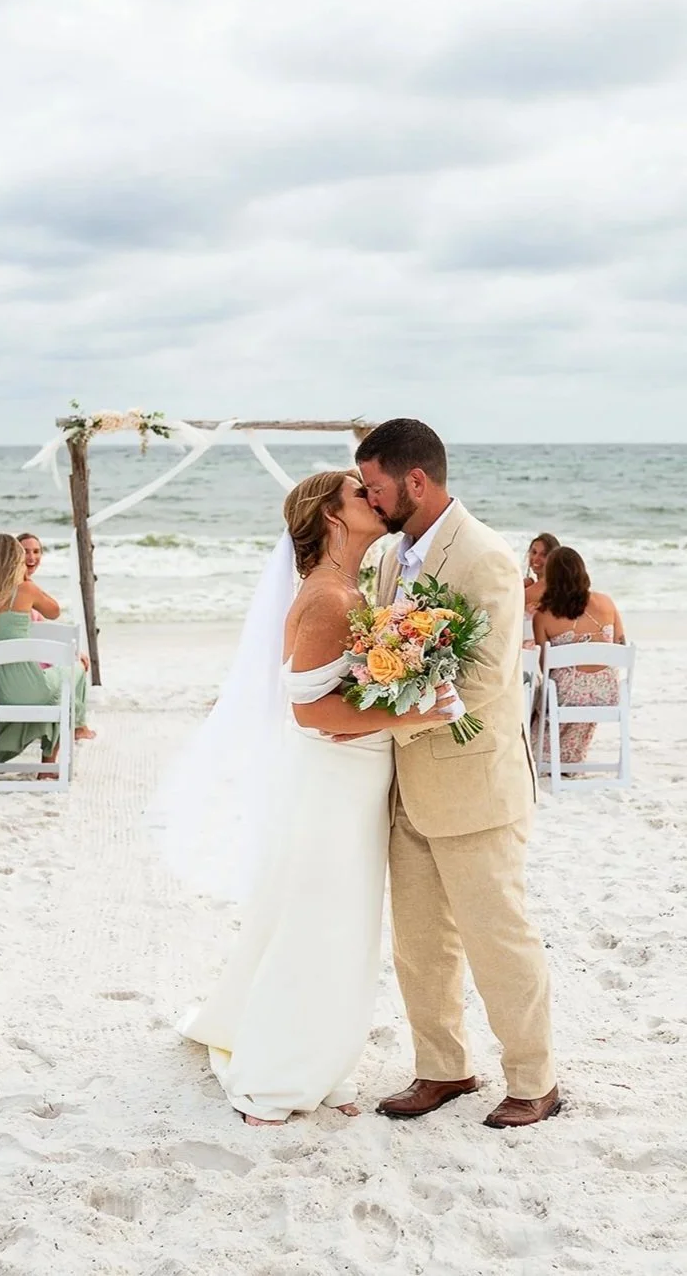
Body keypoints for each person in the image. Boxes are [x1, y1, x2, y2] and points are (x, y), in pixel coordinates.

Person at [165, 470, 459, 1126]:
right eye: (360, 495)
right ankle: (273, 1079)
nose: (374, 501)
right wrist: (410, 715)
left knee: (339, 924)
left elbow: (342, 696)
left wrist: (401, 681)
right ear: (330, 516)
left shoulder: (348, 588)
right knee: (320, 925)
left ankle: (319, 1064)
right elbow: (311, 714)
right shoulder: (328, 597)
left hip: (349, 781)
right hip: (332, 782)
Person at [356, 419, 558, 1130]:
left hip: (475, 784)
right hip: (406, 786)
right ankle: (443, 1068)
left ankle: (536, 1080)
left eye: (376, 488)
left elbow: (480, 680)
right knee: (419, 945)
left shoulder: (485, 557)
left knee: (497, 937)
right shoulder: (389, 556)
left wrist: (384, 711)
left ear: (417, 480)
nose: (369, 500)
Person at [0, 534, 90, 769]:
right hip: (27, 685)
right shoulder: (25, 589)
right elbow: (54, 611)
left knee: (53, 690)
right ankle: (51, 762)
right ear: (17, 560)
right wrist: (25, 581)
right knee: (76, 671)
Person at [532, 546, 626, 765]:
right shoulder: (606, 603)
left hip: (566, 695)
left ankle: (546, 757)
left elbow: (546, 666)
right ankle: (571, 757)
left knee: (540, 690)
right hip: (607, 691)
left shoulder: (543, 616)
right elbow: (620, 643)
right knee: (582, 686)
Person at [17, 531, 95, 740]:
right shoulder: (25, 589)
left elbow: (42, 625)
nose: (32, 557)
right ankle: (78, 726)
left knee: (77, 655)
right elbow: (54, 612)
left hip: (25, 655)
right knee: (76, 662)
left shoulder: (20, 587)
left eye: (36, 551)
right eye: (25, 552)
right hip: (27, 661)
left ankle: (79, 724)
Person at [523, 533, 560, 616]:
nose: (536, 558)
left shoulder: (537, 590)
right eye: (534, 552)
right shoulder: (563, 585)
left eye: (544, 555)